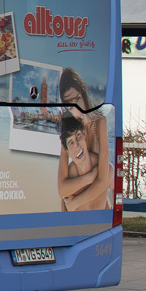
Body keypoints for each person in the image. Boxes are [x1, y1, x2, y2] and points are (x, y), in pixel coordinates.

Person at [57, 68, 110, 211]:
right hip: (76, 206)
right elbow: (62, 190)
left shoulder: (99, 120)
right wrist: (90, 177)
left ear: (83, 93)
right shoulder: (68, 127)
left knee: (109, 171)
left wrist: (75, 202)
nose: (77, 107)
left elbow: (104, 181)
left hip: (94, 202)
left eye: (78, 99)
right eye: (70, 103)